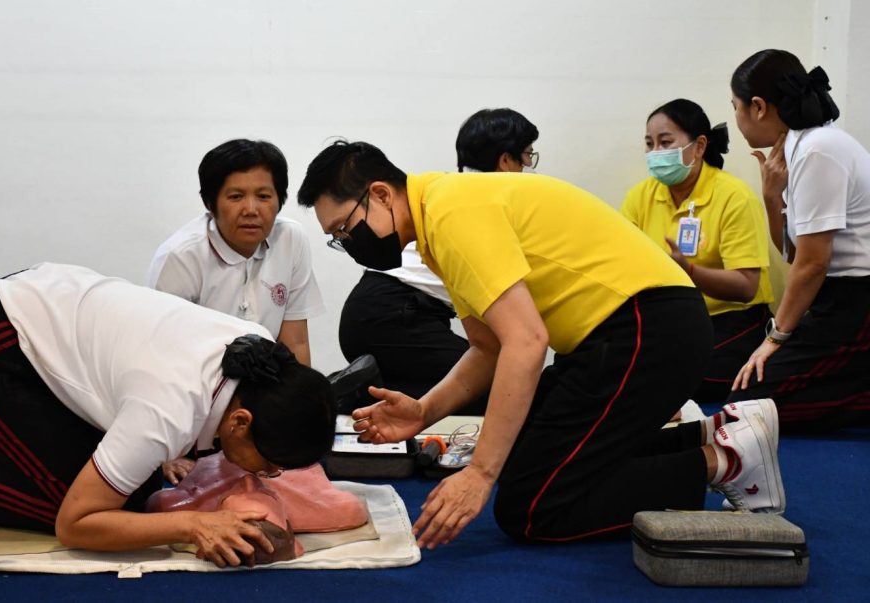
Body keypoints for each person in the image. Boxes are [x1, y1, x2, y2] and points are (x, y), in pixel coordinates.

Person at [296, 140, 785, 549]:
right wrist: (424, 412)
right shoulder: (439, 218)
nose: (348, 243)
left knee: (533, 509)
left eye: (345, 228)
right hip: (632, 330)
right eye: (337, 238)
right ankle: (712, 437)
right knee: (526, 456)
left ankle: (723, 463)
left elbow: (527, 343)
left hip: (647, 329)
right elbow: (487, 349)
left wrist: (479, 475)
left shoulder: (450, 212)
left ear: (381, 194)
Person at [0, 263, 336, 567]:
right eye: (268, 465)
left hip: (37, 311)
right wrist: (194, 525)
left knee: (137, 487)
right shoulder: (167, 410)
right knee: (111, 511)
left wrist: (163, 453)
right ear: (240, 422)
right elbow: (76, 525)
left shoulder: (260, 356)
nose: (266, 476)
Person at [337, 109, 538, 413]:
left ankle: (356, 396)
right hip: (395, 312)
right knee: (502, 387)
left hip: (378, 309)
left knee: (425, 399)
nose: (529, 167)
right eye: (527, 156)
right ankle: (342, 399)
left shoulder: (451, 191)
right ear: (505, 160)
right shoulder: (481, 201)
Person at [730, 49, 870, 430]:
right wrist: (772, 197)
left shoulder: (817, 148)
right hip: (834, 297)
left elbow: (813, 263)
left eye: (736, 107)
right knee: (747, 398)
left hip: (856, 300)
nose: (737, 118)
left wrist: (774, 339)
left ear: (758, 107)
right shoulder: (798, 148)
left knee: (748, 407)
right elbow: (794, 254)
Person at [621, 99, 774, 402]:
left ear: (700, 145)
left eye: (665, 142)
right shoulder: (641, 196)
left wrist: (688, 271)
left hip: (730, 319)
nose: (656, 152)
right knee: (610, 359)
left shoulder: (734, 197)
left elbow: (746, 287)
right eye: (650, 144)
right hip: (668, 318)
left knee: (681, 375)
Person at [147, 139, 323, 367]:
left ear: (279, 200)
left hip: (267, 379)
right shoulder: (180, 257)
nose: (251, 210)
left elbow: (295, 343)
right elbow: (167, 354)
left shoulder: (290, 239)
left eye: (263, 196)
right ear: (210, 204)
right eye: (236, 197)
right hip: (195, 378)